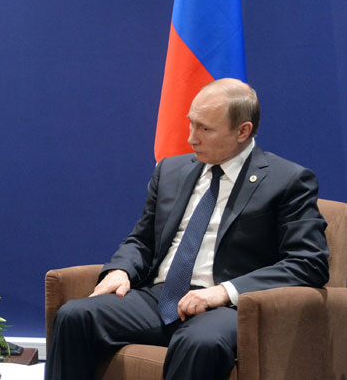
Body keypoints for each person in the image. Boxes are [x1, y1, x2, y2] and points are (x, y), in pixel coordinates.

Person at [45, 78, 329, 379]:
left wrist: (224, 292)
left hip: (228, 306)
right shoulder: (171, 170)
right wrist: (122, 270)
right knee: (75, 316)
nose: (191, 138)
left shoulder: (287, 181)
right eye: (191, 124)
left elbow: (308, 262)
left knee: (198, 342)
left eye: (205, 129)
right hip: (161, 296)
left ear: (243, 131)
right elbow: (143, 239)